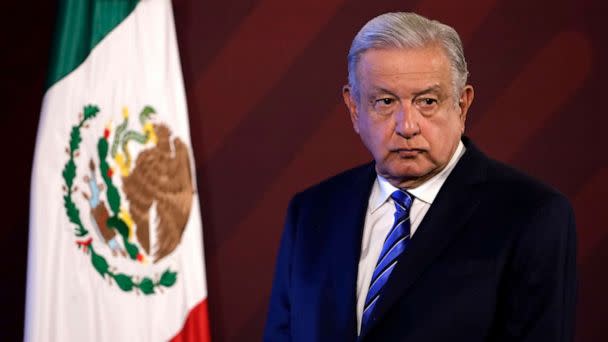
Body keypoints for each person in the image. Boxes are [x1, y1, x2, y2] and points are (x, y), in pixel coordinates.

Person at [264, 12, 576, 342]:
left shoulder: (532, 216)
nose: (407, 126)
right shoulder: (312, 212)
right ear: (354, 108)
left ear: (462, 105)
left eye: (427, 101)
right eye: (385, 101)